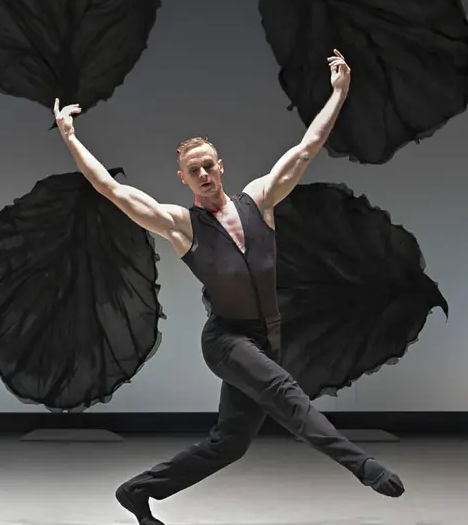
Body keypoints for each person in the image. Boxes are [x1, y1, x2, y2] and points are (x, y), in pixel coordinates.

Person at [53, 51, 404, 525]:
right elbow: (112, 191)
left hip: (268, 337)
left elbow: (306, 148)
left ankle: (137, 491)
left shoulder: (260, 200)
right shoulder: (182, 225)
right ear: (184, 179)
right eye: (193, 170)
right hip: (227, 340)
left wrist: (339, 93)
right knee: (285, 393)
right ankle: (361, 465)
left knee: (229, 444)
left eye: (208, 166)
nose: (203, 174)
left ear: (221, 166)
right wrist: (71, 138)